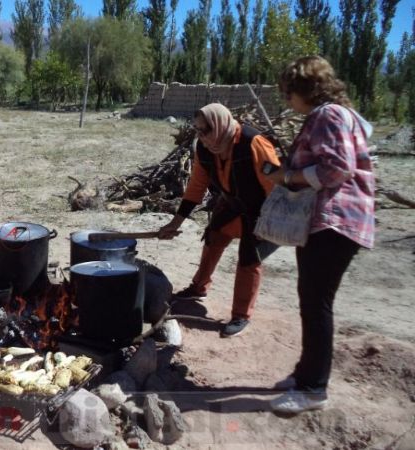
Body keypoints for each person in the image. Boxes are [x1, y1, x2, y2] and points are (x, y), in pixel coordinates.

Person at [267, 56, 374, 414]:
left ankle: (313, 389)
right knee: (312, 301)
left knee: (316, 304)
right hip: (336, 223)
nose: (287, 101)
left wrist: (288, 178)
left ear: (304, 89)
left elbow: (337, 168)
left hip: (335, 222)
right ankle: (305, 375)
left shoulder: (327, 115)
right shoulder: (343, 115)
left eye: (288, 92)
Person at [158, 103, 280, 337]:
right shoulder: (205, 149)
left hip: (263, 210)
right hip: (233, 204)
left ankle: (241, 315)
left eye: (206, 130)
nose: (202, 137)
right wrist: (175, 224)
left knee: (248, 258)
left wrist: (269, 223)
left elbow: (275, 186)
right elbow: (196, 187)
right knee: (214, 237)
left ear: (220, 124)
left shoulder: (252, 143)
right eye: (198, 131)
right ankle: (198, 288)